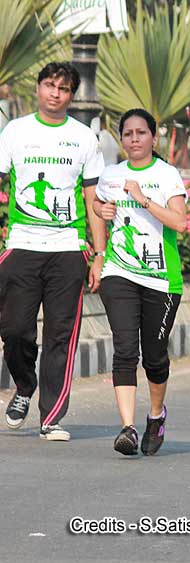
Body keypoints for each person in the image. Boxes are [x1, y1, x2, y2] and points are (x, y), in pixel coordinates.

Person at [0, 62, 107, 441]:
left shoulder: (83, 138)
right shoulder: (15, 132)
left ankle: (52, 417)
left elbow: (94, 197)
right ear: (38, 87)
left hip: (68, 249)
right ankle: (24, 386)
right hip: (22, 246)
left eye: (63, 88)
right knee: (14, 330)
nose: (55, 93)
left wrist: (98, 254)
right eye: (49, 85)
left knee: (61, 335)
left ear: (72, 95)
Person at [92, 108, 187, 456]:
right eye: (128, 134)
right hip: (120, 272)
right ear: (122, 138)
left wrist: (143, 198)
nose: (134, 139)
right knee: (125, 349)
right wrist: (101, 230)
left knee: (155, 358)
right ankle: (128, 428)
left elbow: (180, 223)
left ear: (153, 138)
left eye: (141, 133)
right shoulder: (111, 175)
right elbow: (99, 208)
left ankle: (156, 415)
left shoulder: (167, 175)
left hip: (162, 281)